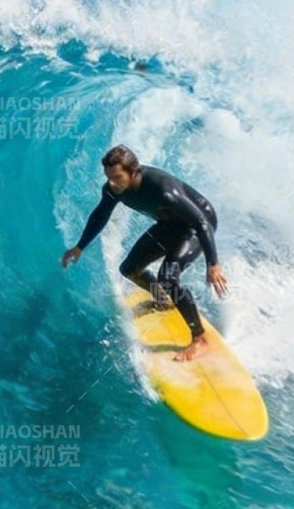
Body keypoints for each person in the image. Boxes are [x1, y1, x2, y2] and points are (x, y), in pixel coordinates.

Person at [61, 145, 227, 362]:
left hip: (197, 227)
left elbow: (201, 223)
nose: (112, 183)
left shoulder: (163, 191)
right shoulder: (113, 189)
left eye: (117, 177)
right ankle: (163, 299)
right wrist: (80, 246)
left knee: (167, 277)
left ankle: (200, 338)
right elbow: (101, 214)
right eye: (108, 177)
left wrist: (213, 264)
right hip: (169, 224)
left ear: (133, 173)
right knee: (129, 269)